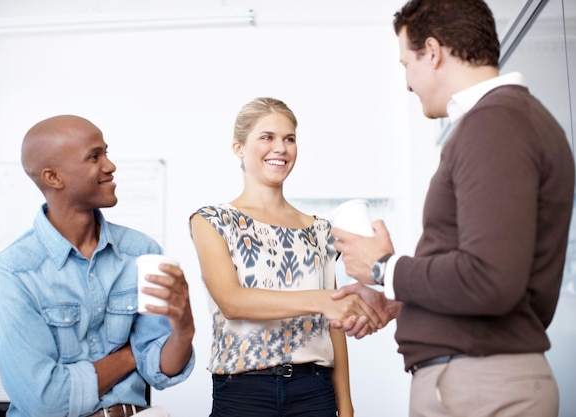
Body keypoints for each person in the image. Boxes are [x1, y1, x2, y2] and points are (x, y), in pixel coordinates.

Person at [331, 1, 575, 416]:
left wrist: (383, 267)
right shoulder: (512, 121)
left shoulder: (495, 124)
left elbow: (490, 280)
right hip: (482, 380)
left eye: (406, 63)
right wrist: (398, 299)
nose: (407, 83)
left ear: (433, 51)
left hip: (479, 387)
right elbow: (498, 280)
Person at [189, 97, 396, 417]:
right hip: (243, 395)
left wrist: (346, 405)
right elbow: (232, 301)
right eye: (267, 137)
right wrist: (323, 300)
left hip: (314, 392)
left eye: (289, 139)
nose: (281, 148)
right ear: (239, 148)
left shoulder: (321, 230)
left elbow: (334, 324)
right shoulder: (211, 221)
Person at [0, 115, 195, 417]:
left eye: (106, 153)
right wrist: (130, 355)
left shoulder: (142, 252)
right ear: (53, 178)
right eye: (94, 156)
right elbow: (45, 400)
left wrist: (183, 330)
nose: (110, 166)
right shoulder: (13, 270)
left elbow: (159, 370)